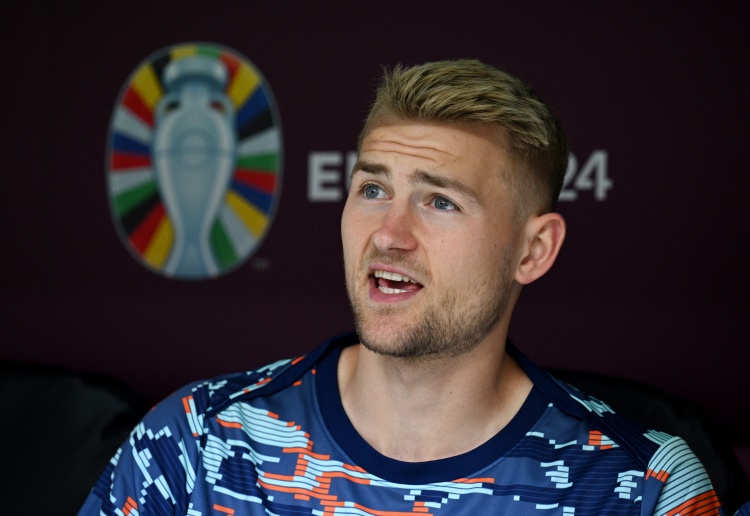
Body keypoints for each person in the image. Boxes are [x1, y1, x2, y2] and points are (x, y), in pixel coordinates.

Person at [80, 60, 725, 515]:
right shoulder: (197, 442)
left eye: (440, 202)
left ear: (533, 250)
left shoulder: (644, 487)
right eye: (372, 189)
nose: (389, 234)